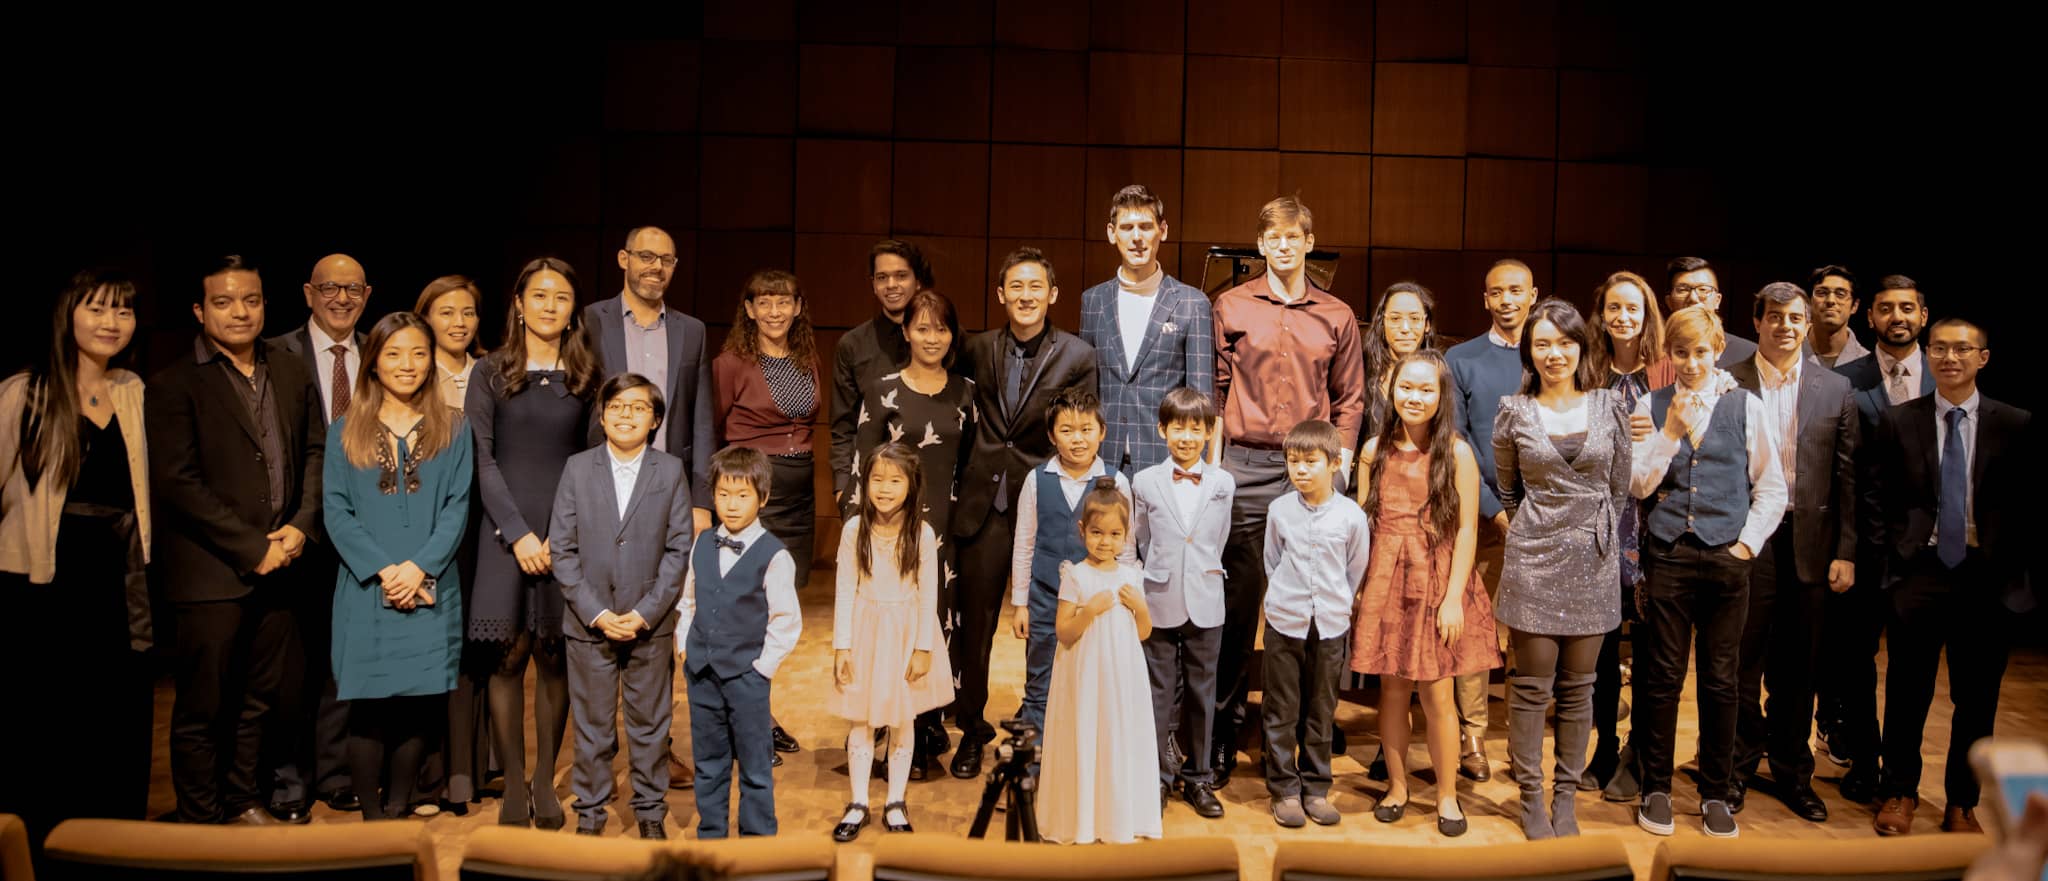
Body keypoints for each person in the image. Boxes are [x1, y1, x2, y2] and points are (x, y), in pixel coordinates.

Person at [150, 255, 326, 826]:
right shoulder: (174, 383)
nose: (239, 311)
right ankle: (199, 815)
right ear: (200, 311)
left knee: (260, 698)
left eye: (250, 300)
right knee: (205, 705)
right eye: (223, 302)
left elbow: (315, 452)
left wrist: (301, 525)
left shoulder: (291, 368)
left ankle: (243, 799)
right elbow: (178, 482)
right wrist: (254, 548)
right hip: (211, 573)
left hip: (286, 561)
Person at [1211, 197, 1366, 777]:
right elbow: (1215, 387)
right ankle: (1225, 733)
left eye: (1293, 237)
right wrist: (1217, 465)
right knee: (1238, 605)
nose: (1283, 246)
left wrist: (1340, 465)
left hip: (1312, 468)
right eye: (1272, 237)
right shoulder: (1229, 304)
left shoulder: (1337, 314)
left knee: (1312, 605)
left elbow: (1350, 397)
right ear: (1260, 245)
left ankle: (1308, 735)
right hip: (1245, 467)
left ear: (1308, 242)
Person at [0, 270, 152, 847]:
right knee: (48, 719)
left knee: (115, 718)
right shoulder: (26, 392)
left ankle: (113, 843)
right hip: (45, 582)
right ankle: (43, 843)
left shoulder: (136, 391)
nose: (111, 323)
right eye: (97, 309)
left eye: (123, 311)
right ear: (68, 314)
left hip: (119, 580)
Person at [1625, 305, 1787, 839]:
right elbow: (1639, 486)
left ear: (1718, 349)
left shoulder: (1746, 405)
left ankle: (1716, 792)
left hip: (1726, 558)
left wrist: (1746, 546)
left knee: (1722, 681)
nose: (1691, 362)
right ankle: (1656, 788)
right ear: (1668, 355)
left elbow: (1771, 487)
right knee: (1662, 678)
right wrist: (1669, 432)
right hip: (1669, 555)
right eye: (1681, 352)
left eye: (1700, 352)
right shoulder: (1653, 402)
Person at [1868, 319, 2033, 836]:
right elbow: (1876, 499)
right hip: (1919, 572)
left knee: (1977, 698)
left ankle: (1962, 802)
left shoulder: (2016, 423)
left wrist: (2019, 582)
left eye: (1962, 349)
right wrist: (1891, 570)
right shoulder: (1900, 421)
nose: (1949, 357)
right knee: (1906, 692)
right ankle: (1898, 792)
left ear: (1983, 357)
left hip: (1987, 578)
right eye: (1939, 348)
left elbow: (2032, 508)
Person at [949, 248, 1097, 779]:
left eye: (1036, 286)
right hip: (984, 504)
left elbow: (1081, 430)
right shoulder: (976, 347)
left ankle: (1047, 725)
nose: (1026, 295)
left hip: (1048, 501)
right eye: (1016, 286)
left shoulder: (1078, 356)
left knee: (1051, 623)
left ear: (1052, 294)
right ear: (1001, 294)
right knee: (977, 627)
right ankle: (971, 730)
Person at [467, 257, 601, 829]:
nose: (550, 305)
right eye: (540, 295)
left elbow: (595, 458)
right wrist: (518, 533)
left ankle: (546, 782)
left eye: (562, 297)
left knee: (555, 658)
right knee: (508, 658)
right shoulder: (490, 372)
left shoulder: (588, 373)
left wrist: (559, 534)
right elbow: (481, 456)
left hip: (567, 532)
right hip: (503, 532)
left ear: (573, 310)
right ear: (518, 303)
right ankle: (513, 789)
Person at [321, 312, 471, 820]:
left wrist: (420, 568)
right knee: (368, 708)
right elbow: (336, 512)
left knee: (417, 706)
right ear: (374, 363)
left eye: (418, 353)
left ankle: (401, 809)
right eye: (394, 354)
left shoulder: (454, 427)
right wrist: (387, 571)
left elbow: (457, 507)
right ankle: (371, 818)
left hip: (431, 587)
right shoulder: (345, 430)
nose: (407, 365)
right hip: (367, 589)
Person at [1491, 299, 1631, 838]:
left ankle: (1566, 797)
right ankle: (1531, 796)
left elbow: (1618, 490)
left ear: (1582, 347)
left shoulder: (1610, 406)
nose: (1555, 353)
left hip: (1593, 561)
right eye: (1542, 343)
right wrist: (1544, 526)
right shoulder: (1515, 411)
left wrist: (1585, 532)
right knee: (1531, 687)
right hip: (1534, 559)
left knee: (1581, 687)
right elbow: (1508, 488)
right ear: (1530, 351)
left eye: (1565, 342)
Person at [1350, 351, 1501, 838]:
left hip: (1436, 579)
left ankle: (1446, 794)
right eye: (1406, 388)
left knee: (1438, 696)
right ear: (1390, 389)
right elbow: (1363, 524)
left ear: (1442, 396)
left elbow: (1465, 532)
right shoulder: (1374, 449)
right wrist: (1359, 587)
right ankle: (1397, 787)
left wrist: (1454, 596)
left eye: (1426, 390)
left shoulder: (1456, 452)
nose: (1415, 397)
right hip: (1387, 579)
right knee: (1391, 692)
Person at [1728, 282, 1859, 823]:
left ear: (1808, 326)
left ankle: (1791, 771)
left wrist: (1846, 549)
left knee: (1797, 670)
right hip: (1745, 541)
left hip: (1810, 545)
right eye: (1775, 316)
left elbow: (1848, 478)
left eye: (1795, 318)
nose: (1785, 326)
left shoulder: (1837, 390)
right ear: (1756, 321)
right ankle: (1734, 769)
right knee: (1738, 662)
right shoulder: (1727, 382)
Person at [551, 374, 695, 840]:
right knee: (592, 727)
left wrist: (647, 611)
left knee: (650, 724)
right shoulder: (577, 468)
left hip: (647, 624)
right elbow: (563, 548)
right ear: (602, 413)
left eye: (638, 408)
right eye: (617, 406)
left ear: (655, 420)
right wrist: (595, 611)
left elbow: (678, 550)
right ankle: (590, 812)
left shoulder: (670, 471)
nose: (626, 415)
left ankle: (650, 809)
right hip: (589, 623)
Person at [848, 289, 975, 778]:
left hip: (946, 529)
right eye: (922, 328)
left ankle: (923, 731)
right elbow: (866, 467)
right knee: (889, 630)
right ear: (906, 332)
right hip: (889, 531)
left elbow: (969, 465)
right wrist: (863, 533)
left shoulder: (965, 390)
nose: (931, 337)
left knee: (934, 627)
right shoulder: (882, 390)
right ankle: (884, 728)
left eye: (941, 328)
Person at [264, 253, 372, 822]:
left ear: (367, 294)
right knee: (292, 663)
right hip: (298, 527)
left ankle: (335, 773)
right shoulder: (276, 353)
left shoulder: (380, 351)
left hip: (363, 527)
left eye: (352, 289)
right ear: (309, 293)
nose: (341, 298)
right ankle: (287, 778)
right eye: (329, 287)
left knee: (343, 658)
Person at [1442, 258, 1540, 782]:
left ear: (1533, 295)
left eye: (1516, 291)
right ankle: (1472, 735)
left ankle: (1523, 740)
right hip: (1480, 516)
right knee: (1476, 632)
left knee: (1531, 632)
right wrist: (1496, 512)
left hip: (1545, 520)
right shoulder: (1460, 359)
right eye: (1497, 292)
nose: (1507, 300)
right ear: (1485, 299)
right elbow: (1455, 443)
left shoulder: (1551, 352)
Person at [827, 442, 954, 842]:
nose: (884, 488)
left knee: (903, 719)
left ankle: (896, 800)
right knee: (862, 721)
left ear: (912, 485)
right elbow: (845, 588)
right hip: (866, 631)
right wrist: (842, 645)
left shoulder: (922, 532)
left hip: (905, 632)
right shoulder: (853, 529)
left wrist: (922, 647)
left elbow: (928, 593)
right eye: (877, 479)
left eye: (895, 480)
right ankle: (859, 800)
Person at [676, 446, 804, 838]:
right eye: (723, 495)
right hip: (701, 673)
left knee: (755, 764)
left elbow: (786, 621)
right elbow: (688, 601)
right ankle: (711, 834)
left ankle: (757, 839)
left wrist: (761, 668)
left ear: (762, 498)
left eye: (743, 495)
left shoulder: (774, 555)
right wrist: (685, 647)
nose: (731, 505)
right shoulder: (701, 544)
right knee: (709, 761)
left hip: (747, 678)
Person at [1259, 419, 1370, 830]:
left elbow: (1354, 569)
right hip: (1285, 622)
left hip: (1329, 626)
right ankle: (1284, 789)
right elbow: (1272, 561)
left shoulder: (1351, 516)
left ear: (1335, 462)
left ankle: (1316, 787)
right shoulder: (1279, 510)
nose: (1300, 470)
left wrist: (1333, 603)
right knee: (1281, 708)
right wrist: (1287, 599)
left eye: (1310, 461)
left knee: (1321, 710)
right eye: (1293, 461)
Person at [1037, 481, 1159, 844]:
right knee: (1086, 733)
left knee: (1115, 735)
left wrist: (1139, 607)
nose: (1105, 542)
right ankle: (1083, 818)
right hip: (1085, 674)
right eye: (1096, 533)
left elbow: (1144, 632)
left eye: (1114, 534)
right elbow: (1064, 632)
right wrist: (1088, 611)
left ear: (1126, 535)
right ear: (1082, 531)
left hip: (1122, 676)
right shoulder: (1075, 575)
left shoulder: (1132, 576)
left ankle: (1117, 815)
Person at [1585, 270, 1670, 789]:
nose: (1623, 318)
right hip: (1598, 529)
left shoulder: (1666, 375)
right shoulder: (1588, 372)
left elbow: (1690, 447)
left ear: (1647, 314)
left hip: (1654, 531)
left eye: (1632, 309)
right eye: (1614, 307)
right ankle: (1604, 748)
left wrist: (1660, 431)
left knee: (1652, 651)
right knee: (1600, 652)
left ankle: (1641, 749)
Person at [1130, 387, 1233, 817]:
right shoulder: (1144, 481)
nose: (1187, 437)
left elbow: (1218, 539)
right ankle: (1157, 777)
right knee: (1156, 692)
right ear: (1162, 430)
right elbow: (1140, 538)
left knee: (1201, 692)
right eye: (1178, 427)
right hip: (1159, 595)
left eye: (1196, 428)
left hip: (1206, 599)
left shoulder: (1223, 482)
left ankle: (1199, 778)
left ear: (1210, 433)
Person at [1008, 388, 1133, 736]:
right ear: (1051, 435)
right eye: (1066, 430)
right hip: (1046, 600)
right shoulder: (1037, 480)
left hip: (1100, 606)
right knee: (1039, 685)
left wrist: (1126, 603)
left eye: (1086, 429)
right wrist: (1020, 604)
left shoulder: (1116, 481)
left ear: (1102, 432)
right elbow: (1024, 545)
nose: (1077, 440)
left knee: (1093, 684)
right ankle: (1037, 767)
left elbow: (1128, 550)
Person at [1079, 184, 1213, 478]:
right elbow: (1087, 391)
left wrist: (1198, 472)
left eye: (1145, 226)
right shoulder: (1093, 301)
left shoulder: (1192, 303)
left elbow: (1202, 399)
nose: (1137, 237)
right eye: (1127, 227)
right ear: (1112, 233)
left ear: (1162, 231)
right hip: (1103, 462)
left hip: (1168, 463)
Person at [712, 270, 822, 590]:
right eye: (765, 303)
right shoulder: (731, 363)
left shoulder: (808, 360)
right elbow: (713, 428)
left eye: (783, 302)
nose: (774, 312)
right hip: (751, 490)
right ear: (750, 310)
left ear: (798, 307)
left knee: (788, 592)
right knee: (746, 590)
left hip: (800, 498)